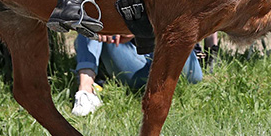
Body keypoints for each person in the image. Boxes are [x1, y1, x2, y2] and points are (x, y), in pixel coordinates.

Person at [71, 34, 203, 116]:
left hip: (175, 60)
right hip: (135, 65)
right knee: (92, 18)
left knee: (178, 20)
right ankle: (85, 91)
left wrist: (137, 30)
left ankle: (90, 83)